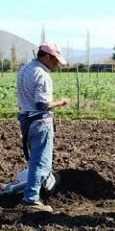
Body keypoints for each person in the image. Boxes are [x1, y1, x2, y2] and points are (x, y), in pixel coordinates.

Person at [17, 42, 70, 212]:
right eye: (55, 60)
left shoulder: (25, 69)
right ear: (46, 57)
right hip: (40, 122)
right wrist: (61, 102)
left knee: (35, 160)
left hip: (27, 120)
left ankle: (39, 187)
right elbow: (42, 104)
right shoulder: (43, 75)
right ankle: (32, 198)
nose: (56, 65)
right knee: (40, 161)